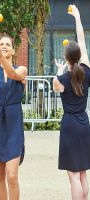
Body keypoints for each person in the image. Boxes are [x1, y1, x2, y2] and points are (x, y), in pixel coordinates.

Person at [53, 5, 90, 200]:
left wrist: (59, 71)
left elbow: (54, 85)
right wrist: (77, 16)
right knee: (83, 171)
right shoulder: (86, 70)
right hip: (84, 123)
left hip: (69, 124)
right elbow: (82, 40)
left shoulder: (63, 79)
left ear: (66, 58)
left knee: (73, 175)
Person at [0, 35, 27, 200]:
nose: (4, 46)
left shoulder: (22, 69)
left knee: (12, 176)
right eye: (1, 44)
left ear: (13, 50)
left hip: (14, 122)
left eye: (7, 44)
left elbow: (14, 74)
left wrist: (2, 58)